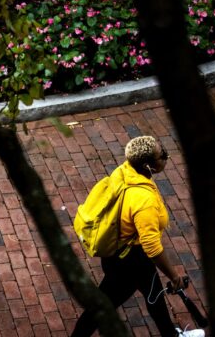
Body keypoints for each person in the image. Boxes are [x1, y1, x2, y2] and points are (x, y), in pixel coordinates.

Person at [71, 136, 205, 337]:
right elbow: (152, 246)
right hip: (131, 263)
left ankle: (171, 335)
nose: (166, 157)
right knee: (100, 309)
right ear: (148, 166)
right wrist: (174, 275)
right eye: (162, 156)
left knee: (155, 297)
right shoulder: (144, 201)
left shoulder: (126, 171)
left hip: (119, 255)